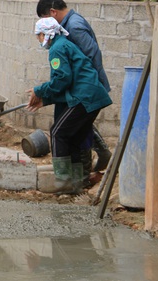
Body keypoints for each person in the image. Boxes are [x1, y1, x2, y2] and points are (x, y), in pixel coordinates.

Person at [26, 17, 112, 194]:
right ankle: (77, 184)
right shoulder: (64, 44)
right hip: (89, 95)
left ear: (46, 34)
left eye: (39, 36)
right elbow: (67, 82)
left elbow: (62, 79)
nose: (38, 40)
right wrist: (45, 99)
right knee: (74, 137)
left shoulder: (57, 49)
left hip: (84, 97)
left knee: (58, 132)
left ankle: (64, 181)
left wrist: (39, 90)